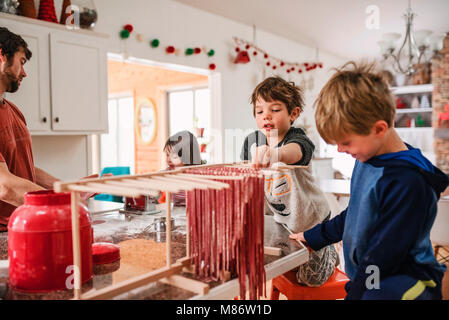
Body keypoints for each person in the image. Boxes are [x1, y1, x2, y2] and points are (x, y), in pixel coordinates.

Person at [290, 61, 449, 300]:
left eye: (346, 142)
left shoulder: (408, 182)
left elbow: (385, 254)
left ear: (379, 129)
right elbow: (355, 214)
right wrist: (313, 236)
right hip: (374, 273)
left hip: (404, 280)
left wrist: (358, 291)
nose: (342, 150)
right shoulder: (366, 158)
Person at [240, 76, 338, 287]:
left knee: (309, 280)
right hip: (282, 220)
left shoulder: (297, 138)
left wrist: (274, 154)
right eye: (260, 111)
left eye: (275, 110)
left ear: (293, 113)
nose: (266, 116)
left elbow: (296, 152)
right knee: (280, 264)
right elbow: (248, 179)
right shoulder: (251, 141)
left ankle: (329, 252)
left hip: (311, 220)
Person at [0, 27, 96, 232]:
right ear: (2, 56)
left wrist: (68, 189)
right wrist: (63, 201)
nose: (24, 73)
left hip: (24, 224)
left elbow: (23, 169)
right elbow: (4, 185)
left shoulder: (14, 111)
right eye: (22, 61)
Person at [160, 130, 202, 206]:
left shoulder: (198, 173)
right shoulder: (169, 171)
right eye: (167, 155)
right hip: (177, 211)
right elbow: (154, 176)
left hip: (196, 210)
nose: (168, 160)